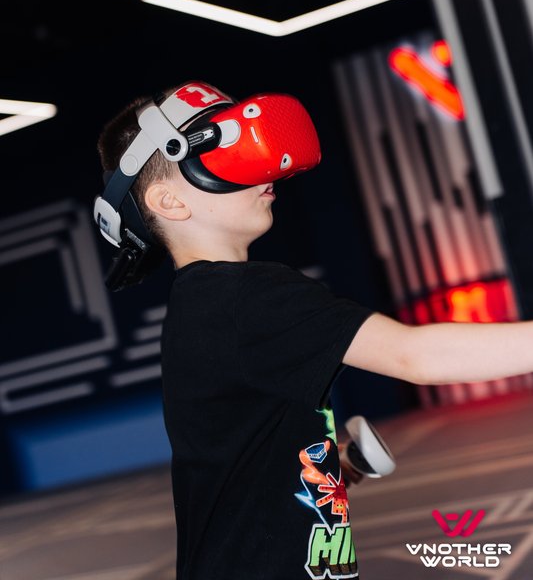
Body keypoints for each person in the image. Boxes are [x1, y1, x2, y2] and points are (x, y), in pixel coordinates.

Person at [95, 81, 533, 580]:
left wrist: (335, 466)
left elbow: (239, 455)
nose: (262, 167)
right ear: (169, 202)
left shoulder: (202, 306)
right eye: (220, 155)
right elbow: (417, 356)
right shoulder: (245, 296)